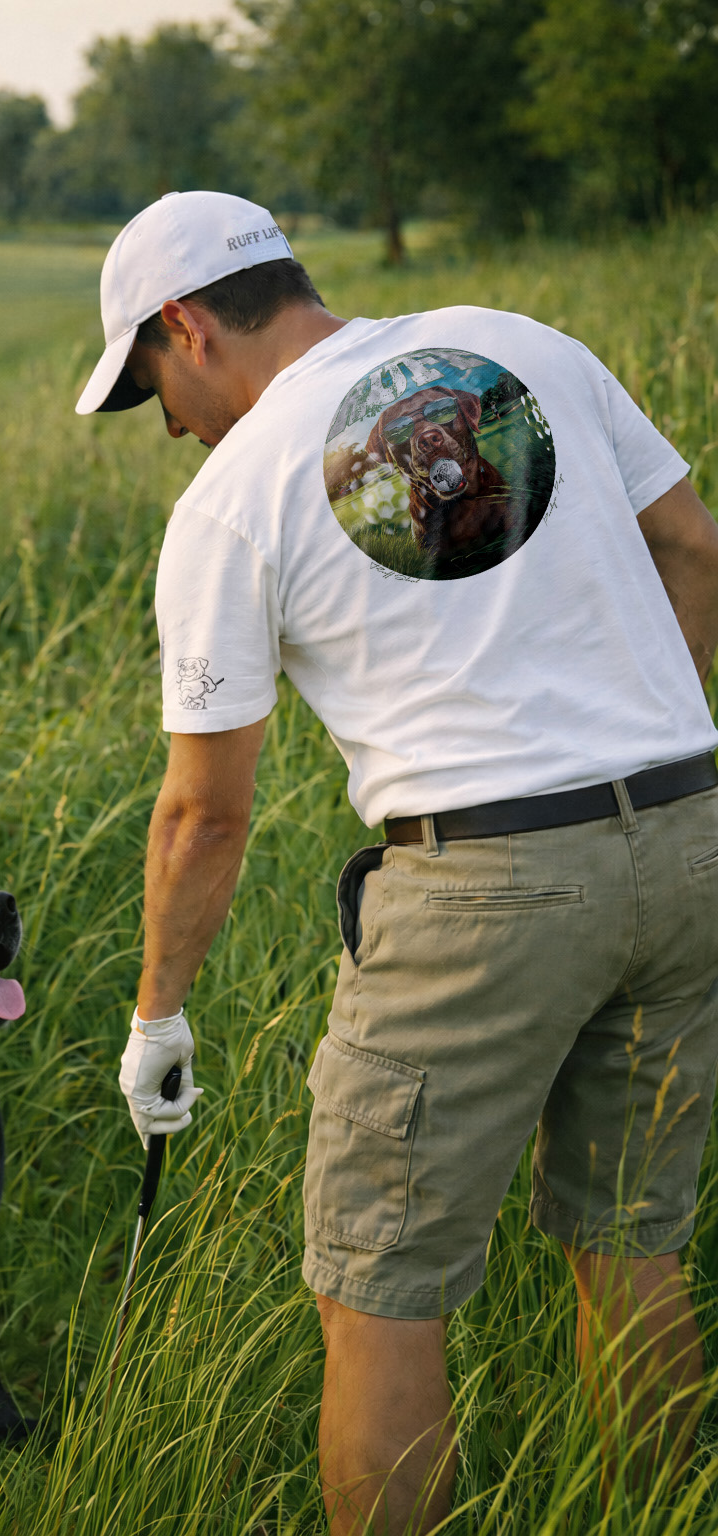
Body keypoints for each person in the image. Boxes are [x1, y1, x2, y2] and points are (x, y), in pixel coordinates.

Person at [75, 190, 718, 1535]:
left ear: (186, 327)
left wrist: (157, 1015)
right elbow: (694, 549)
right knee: (632, 1243)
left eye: (151, 386)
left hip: (480, 896)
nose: (173, 426)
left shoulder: (232, 502)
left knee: (376, 1290)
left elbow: (205, 814)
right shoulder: (524, 344)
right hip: (687, 835)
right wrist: (639, 749)